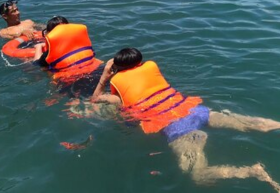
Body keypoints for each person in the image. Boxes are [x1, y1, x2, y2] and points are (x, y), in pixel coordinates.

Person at [91, 48, 280, 192]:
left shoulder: (117, 85)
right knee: (257, 125)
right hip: (196, 111)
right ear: (140, 62)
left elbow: (96, 99)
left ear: (117, 69)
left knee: (199, 176)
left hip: (180, 129)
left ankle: (251, 171)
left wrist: (105, 75)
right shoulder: (152, 67)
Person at [33, 16, 102, 96]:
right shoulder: (82, 42)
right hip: (97, 72)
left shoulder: (50, 53)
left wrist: (38, 47)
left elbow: (36, 64)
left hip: (71, 81)